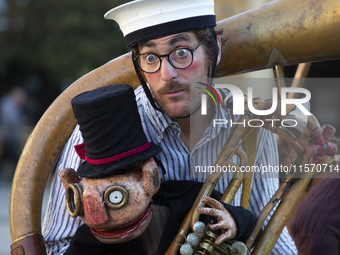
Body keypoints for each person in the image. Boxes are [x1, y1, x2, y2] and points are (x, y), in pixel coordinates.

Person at [42, 0, 297, 254]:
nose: (167, 74)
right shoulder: (102, 131)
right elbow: (59, 246)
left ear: (214, 50)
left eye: (182, 52)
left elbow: (271, 235)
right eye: (151, 58)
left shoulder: (250, 125)